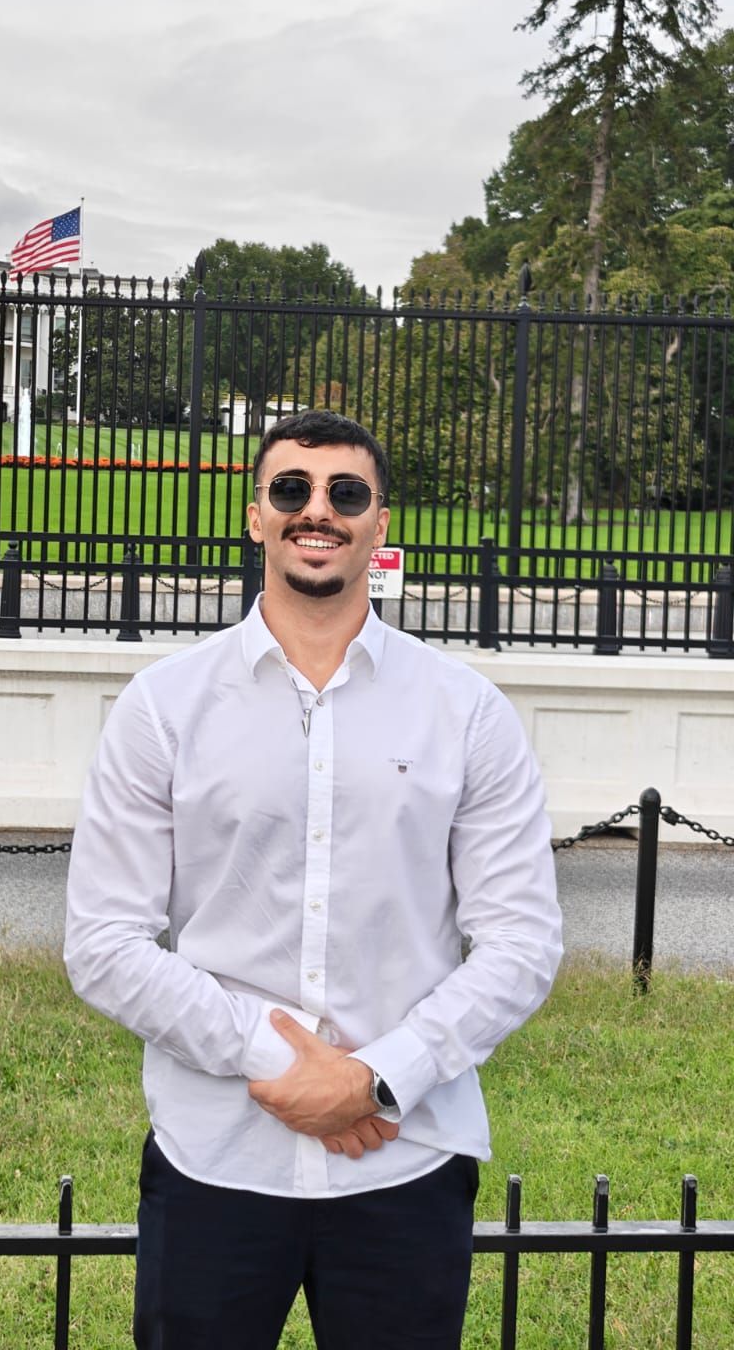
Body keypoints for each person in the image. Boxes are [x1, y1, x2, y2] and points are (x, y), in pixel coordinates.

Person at [64, 410, 562, 1350]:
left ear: (380, 524)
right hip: (216, 1157)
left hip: (402, 1164)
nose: (316, 511)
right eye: (291, 489)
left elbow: (523, 942)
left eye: (346, 493)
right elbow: (104, 944)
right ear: (256, 516)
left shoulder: (465, 713)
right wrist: (281, 1063)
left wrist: (379, 1078)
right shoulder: (164, 708)